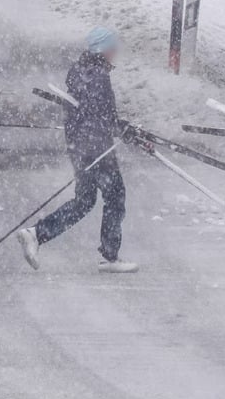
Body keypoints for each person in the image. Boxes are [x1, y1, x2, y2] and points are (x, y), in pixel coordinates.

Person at [16, 26, 138, 273]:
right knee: (115, 197)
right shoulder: (98, 76)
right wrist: (120, 129)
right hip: (96, 149)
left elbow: (92, 113)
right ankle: (111, 256)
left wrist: (119, 127)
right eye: (113, 48)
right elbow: (101, 117)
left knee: (84, 201)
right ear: (104, 50)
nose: (115, 53)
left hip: (81, 146)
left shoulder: (82, 70)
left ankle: (36, 234)